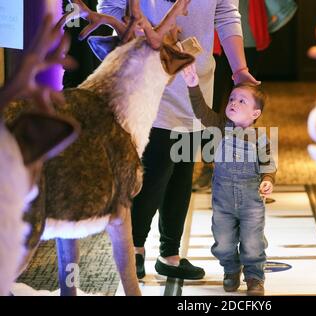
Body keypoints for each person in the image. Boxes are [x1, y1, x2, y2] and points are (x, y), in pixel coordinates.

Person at [97, 0, 259, 280]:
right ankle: (134, 248)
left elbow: (225, 12)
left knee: (182, 171)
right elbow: (109, 6)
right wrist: (137, 40)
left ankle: (169, 255)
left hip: (195, 75)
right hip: (148, 75)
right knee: (156, 168)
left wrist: (239, 70)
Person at [181, 62, 277, 295]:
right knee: (223, 241)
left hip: (252, 201)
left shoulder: (260, 138)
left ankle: (254, 277)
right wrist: (194, 86)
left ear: (255, 114)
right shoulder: (220, 127)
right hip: (223, 201)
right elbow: (201, 112)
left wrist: (268, 180)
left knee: (253, 242)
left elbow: (269, 166)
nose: (233, 103)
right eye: (232, 99)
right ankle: (230, 269)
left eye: (241, 101)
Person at [193, 0, 271, 192]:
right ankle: (209, 165)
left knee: (247, 107)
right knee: (215, 106)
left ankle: (250, 172)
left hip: (248, 36)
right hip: (217, 40)